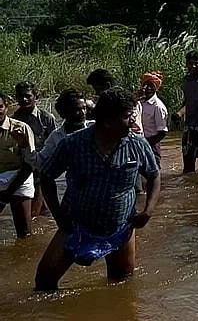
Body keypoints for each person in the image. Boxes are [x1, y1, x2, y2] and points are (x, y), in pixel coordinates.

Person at [32, 87, 160, 291]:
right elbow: (47, 177)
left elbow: (153, 175)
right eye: (127, 117)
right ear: (108, 121)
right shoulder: (73, 144)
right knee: (44, 283)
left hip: (120, 226)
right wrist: (58, 215)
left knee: (121, 286)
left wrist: (148, 211)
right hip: (75, 224)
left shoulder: (137, 144)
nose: (133, 123)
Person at [22, 90, 94, 198]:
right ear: (64, 112)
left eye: (84, 108)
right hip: (76, 191)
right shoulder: (57, 137)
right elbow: (41, 164)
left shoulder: (95, 128)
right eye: (77, 110)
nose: (83, 113)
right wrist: (25, 146)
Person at [12, 81, 57, 217]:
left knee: (38, 209)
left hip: (41, 168)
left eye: (27, 96)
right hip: (21, 168)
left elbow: (55, 144)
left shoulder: (46, 119)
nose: (23, 100)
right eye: (20, 96)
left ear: (36, 96)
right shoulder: (12, 120)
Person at [0, 93, 36, 238]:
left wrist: (8, 192)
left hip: (20, 175)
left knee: (24, 234)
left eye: (0, 107)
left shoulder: (21, 129)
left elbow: (30, 164)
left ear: (7, 107)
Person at [87, 68, 143, 136]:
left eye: (98, 89)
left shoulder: (127, 103)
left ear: (108, 86)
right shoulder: (107, 104)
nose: (97, 93)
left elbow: (136, 130)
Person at [140, 71, 169, 166]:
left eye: (151, 85)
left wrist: (146, 143)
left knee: (154, 172)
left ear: (156, 88)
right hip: (139, 143)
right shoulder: (140, 102)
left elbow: (162, 132)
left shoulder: (158, 106)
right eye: (146, 85)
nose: (148, 88)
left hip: (152, 145)